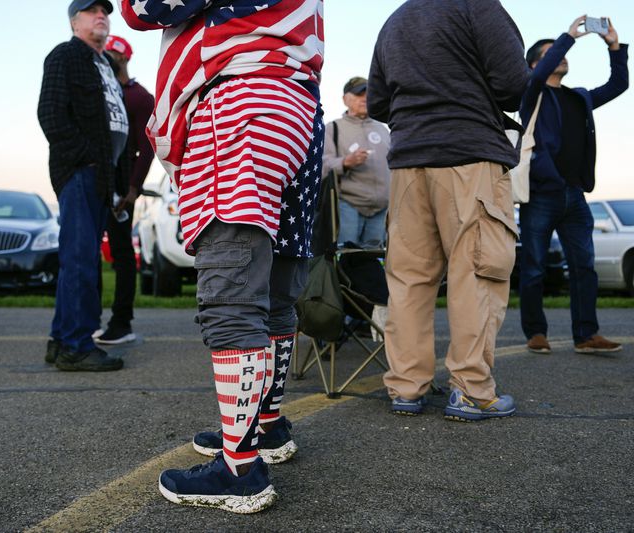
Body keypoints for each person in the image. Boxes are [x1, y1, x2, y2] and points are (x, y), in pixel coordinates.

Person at [120, 0, 324, 514]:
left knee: (231, 300)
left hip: (240, 99)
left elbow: (145, 8)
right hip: (296, 104)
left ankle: (240, 470)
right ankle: (265, 427)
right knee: (276, 289)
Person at [368, 0, 529, 421]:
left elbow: (378, 102)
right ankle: (472, 390)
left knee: (408, 278)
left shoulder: (396, 19)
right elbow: (514, 83)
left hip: (408, 164)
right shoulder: (478, 6)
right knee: (476, 271)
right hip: (469, 154)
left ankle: (406, 386)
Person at [519, 16, 627, 356]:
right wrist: (568, 36)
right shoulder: (531, 93)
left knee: (584, 266)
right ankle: (536, 332)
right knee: (534, 265)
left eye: (562, 51)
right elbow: (537, 76)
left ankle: (586, 334)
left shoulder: (578, 98)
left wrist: (614, 47)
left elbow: (618, 85)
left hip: (575, 195)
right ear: (536, 63)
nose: (562, 56)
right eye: (552, 54)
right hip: (540, 194)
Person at [37, 0, 129, 372]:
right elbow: (51, 114)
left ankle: (61, 340)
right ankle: (77, 345)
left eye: (106, 11)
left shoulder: (105, 64)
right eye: (92, 11)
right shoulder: (65, 55)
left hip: (101, 175)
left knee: (80, 257)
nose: (102, 16)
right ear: (75, 22)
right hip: (81, 171)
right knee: (81, 260)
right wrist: (87, 157)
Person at [93, 34, 155, 346]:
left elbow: (147, 147)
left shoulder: (140, 97)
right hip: (96, 177)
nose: (108, 56)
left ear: (125, 57)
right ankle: (91, 318)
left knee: (121, 254)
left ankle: (122, 321)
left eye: (113, 52)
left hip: (122, 183)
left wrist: (133, 188)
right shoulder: (100, 89)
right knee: (89, 251)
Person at [322, 76, 390, 248]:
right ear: (345, 99)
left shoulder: (383, 129)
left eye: (369, 93)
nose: (365, 98)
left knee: (374, 262)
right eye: (360, 93)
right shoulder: (333, 128)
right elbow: (322, 166)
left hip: (381, 210)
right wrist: (346, 162)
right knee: (347, 258)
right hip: (348, 207)